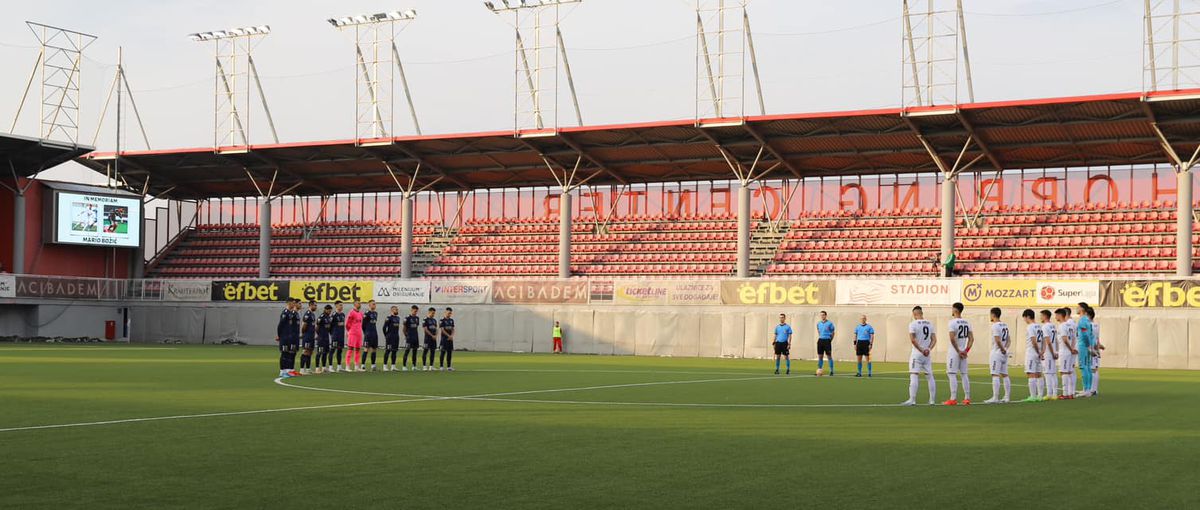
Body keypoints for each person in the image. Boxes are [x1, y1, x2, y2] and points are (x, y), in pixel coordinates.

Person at [902, 305, 937, 406]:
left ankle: (912, 400)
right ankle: (932, 400)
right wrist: (928, 349)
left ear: (914, 314)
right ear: (922, 313)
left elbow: (913, 340)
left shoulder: (913, 324)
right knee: (930, 376)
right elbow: (934, 339)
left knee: (914, 375)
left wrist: (921, 350)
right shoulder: (930, 324)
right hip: (927, 353)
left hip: (917, 353)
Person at [944, 302, 974, 405]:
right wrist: (966, 351)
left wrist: (958, 351)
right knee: (964, 374)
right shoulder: (967, 322)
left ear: (955, 310)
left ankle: (953, 398)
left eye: (952, 309)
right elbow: (971, 339)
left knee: (951, 374)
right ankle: (967, 397)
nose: (951, 311)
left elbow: (952, 339)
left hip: (954, 352)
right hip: (963, 352)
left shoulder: (952, 323)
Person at [984, 307, 1012, 404]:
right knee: (1005, 374)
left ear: (993, 315)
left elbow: (997, 339)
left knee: (995, 374)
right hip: (1004, 353)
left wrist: (1002, 349)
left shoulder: (995, 326)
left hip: (997, 352)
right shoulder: (1005, 325)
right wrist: (1006, 349)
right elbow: (1009, 340)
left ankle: (995, 397)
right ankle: (1007, 397)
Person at [1021, 309, 1046, 403]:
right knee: (1039, 374)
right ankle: (1040, 395)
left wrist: (1038, 351)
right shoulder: (1040, 326)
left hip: (1032, 352)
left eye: (1024, 318)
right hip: (1038, 353)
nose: (1024, 320)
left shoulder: (1030, 327)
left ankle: (1033, 396)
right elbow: (1044, 341)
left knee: (1030, 373)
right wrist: (1042, 352)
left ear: (1027, 317)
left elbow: (1033, 340)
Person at [275, 298, 301, 378]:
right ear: (289, 303)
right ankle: (282, 371)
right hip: (284, 337)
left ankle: (289, 370)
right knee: (284, 354)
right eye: (293, 303)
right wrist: (279, 335)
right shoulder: (285, 313)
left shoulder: (291, 313)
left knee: (290, 353)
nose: (294, 304)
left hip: (290, 337)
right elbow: (280, 325)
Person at [1056, 308, 1077, 399]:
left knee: (1064, 372)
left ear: (1060, 315)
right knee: (1069, 372)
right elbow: (1074, 339)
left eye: (1056, 315)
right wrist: (1072, 348)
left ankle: (1065, 394)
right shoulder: (1070, 325)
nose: (1055, 317)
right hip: (1069, 351)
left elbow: (1065, 339)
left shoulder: (1062, 325)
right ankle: (1070, 393)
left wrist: (1070, 348)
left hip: (1064, 351)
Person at [1076, 303, 1095, 398]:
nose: (1076, 308)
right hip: (1087, 346)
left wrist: (1087, 346)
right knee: (1087, 367)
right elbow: (1091, 335)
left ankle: (1086, 390)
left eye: (1078, 307)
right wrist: (1091, 346)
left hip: (1083, 346)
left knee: (1084, 367)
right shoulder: (1088, 320)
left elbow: (1085, 335)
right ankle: (1088, 389)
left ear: (1082, 309)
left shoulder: (1082, 320)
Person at [1040, 310, 1059, 401]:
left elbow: (1048, 341)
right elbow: (1056, 340)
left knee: (1048, 373)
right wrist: (1056, 351)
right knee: (1053, 373)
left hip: (1049, 353)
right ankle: (1054, 393)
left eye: (1041, 316)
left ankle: (1050, 393)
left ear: (1045, 316)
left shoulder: (1045, 327)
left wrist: (1051, 352)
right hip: (1053, 351)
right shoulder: (1053, 326)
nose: (1040, 317)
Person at [1088, 307, 1105, 395]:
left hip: (1091, 349)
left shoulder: (1089, 326)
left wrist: (1090, 349)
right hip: (1095, 348)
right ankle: (1094, 389)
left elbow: (1089, 338)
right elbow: (1097, 339)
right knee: (1095, 369)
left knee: (1092, 369)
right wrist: (1098, 347)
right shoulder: (1096, 325)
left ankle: (1092, 390)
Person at [299, 300, 318, 375]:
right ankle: (301, 369)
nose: (316, 307)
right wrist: (304, 334)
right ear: (310, 305)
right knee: (305, 351)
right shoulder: (307, 314)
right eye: (315, 305)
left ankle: (308, 369)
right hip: (307, 336)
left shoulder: (312, 314)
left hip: (311, 336)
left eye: (316, 305)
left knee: (310, 352)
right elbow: (304, 326)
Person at [345, 301, 364, 372]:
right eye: (358, 303)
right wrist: (349, 331)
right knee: (350, 349)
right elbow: (347, 323)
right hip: (352, 333)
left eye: (360, 303)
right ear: (354, 304)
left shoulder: (361, 313)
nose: (360, 304)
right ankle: (347, 366)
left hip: (359, 333)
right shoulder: (351, 312)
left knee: (358, 350)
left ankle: (356, 366)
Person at [815, 311, 836, 376]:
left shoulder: (830, 323)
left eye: (823, 315)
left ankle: (831, 371)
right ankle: (819, 370)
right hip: (820, 340)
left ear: (826, 315)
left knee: (829, 356)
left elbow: (833, 333)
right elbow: (819, 331)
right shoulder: (818, 324)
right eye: (821, 315)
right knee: (820, 356)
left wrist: (830, 340)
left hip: (827, 340)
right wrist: (821, 337)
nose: (822, 316)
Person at [382, 306, 401, 371]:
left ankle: (393, 366)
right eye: (396, 309)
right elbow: (384, 327)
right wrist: (386, 335)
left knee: (394, 351)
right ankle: (385, 366)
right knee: (388, 351)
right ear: (392, 310)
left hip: (396, 337)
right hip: (390, 337)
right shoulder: (388, 318)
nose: (397, 310)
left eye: (397, 309)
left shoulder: (398, 318)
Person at [362, 300, 380, 371]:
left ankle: (373, 366)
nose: (374, 305)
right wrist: (365, 332)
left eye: (375, 304)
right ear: (369, 305)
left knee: (374, 349)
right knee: (366, 349)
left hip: (374, 333)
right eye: (373, 304)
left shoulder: (375, 313)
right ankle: (363, 365)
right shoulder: (367, 313)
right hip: (368, 334)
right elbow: (363, 325)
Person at [315, 305, 333, 374]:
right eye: (329, 310)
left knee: (325, 353)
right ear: (325, 309)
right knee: (319, 353)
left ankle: (324, 368)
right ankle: (317, 368)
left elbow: (328, 328)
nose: (330, 312)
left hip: (326, 338)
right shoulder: (321, 317)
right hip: (321, 338)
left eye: (330, 310)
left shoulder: (329, 317)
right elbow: (317, 327)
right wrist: (319, 335)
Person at [403, 305, 422, 371]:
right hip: (409, 337)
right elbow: (404, 329)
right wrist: (406, 336)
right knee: (407, 351)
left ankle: (414, 366)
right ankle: (404, 366)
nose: (415, 312)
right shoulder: (407, 318)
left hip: (415, 337)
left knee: (415, 352)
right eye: (414, 311)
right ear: (411, 310)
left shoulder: (417, 318)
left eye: (416, 311)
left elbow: (416, 327)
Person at [330, 301, 347, 373]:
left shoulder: (343, 315)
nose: (341, 307)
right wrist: (333, 334)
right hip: (335, 336)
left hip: (341, 336)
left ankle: (339, 367)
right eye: (340, 305)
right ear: (336, 306)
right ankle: (330, 367)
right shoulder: (333, 315)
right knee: (332, 350)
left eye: (342, 305)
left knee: (340, 351)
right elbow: (330, 326)